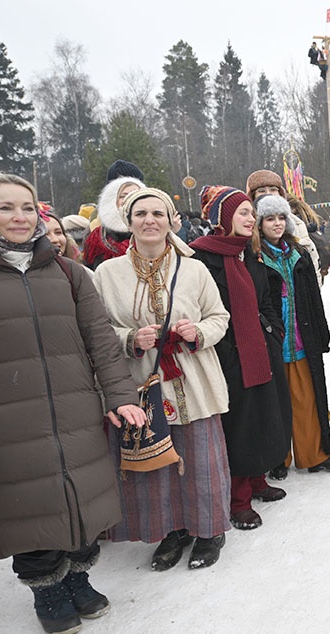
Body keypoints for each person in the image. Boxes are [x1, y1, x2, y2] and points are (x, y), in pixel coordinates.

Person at [0, 173, 145, 634]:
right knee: (29, 503)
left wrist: (120, 395)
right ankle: (47, 588)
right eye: (5, 208)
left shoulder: (67, 270)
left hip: (75, 407)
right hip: (6, 419)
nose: (19, 217)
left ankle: (79, 577)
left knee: (83, 495)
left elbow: (101, 341)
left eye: (27, 207)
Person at [93, 187, 232, 571]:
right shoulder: (107, 274)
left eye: (158, 213)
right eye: (141, 214)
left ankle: (208, 531)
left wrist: (198, 332)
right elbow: (99, 330)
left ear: (172, 220)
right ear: (128, 221)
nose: (149, 220)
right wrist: (130, 338)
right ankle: (172, 531)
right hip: (141, 383)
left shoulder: (195, 269)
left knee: (200, 457)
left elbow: (220, 318)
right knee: (155, 463)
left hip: (194, 378)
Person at [190, 186, 291, 531]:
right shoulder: (202, 258)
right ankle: (238, 499)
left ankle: (258, 480)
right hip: (228, 357)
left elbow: (265, 299)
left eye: (252, 213)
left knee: (263, 417)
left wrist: (274, 333)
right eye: (243, 212)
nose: (251, 219)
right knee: (239, 427)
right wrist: (229, 352)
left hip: (261, 352)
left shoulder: (250, 255)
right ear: (223, 218)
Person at [255, 194, 330, 477]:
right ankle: (278, 459)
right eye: (270, 218)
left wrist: (320, 332)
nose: (277, 223)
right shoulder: (255, 257)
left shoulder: (299, 254)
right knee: (277, 404)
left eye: (281, 218)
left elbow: (314, 299)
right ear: (259, 223)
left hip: (302, 337)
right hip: (273, 342)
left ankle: (314, 454)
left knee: (307, 399)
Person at [245, 169, 320, 271]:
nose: (268, 193)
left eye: (273, 189)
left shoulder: (297, 224)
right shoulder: (246, 227)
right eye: (261, 191)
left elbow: (311, 262)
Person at [82, 172, 144, 269]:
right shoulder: (96, 238)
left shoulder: (154, 230)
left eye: (136, 194)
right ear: (114, 200)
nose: (130, 198)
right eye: (123, 196)